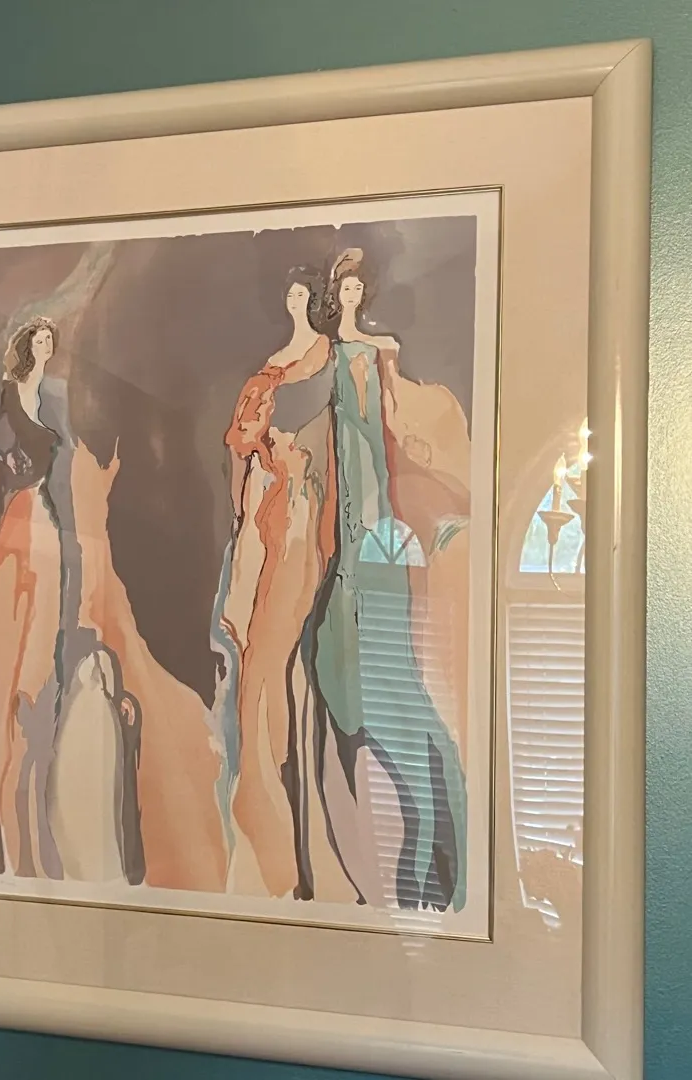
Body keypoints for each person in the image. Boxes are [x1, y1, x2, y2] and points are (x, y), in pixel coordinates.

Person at [305, 247, 469, 910]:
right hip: (347, 521)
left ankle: (431, 867)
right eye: (340, 288)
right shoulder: (321, 359)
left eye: (355, 288)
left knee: (410, 720)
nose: (349, 296)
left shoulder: (380, 351)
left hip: (375, 520)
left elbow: (391, 428)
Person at [219, 268, 355, 901]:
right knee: (258, 665)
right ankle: (267, 835)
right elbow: (240, 448)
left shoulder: (326, 360)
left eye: (305, 294)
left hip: (300, 515)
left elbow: (325, 447)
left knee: (277, 666)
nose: (296, 300)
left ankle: (289, 837)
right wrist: (253, 480)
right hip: (263, 515)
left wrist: (281, 456)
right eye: (291, 293)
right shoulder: (267, 371)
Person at [0, 317, 64, 877]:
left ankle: (23, 817)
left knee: (36, 677)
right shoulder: (11, 400)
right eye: (40, 340)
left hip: (43, 530)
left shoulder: (53, 402)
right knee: (4, 676)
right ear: (27, 347)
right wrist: (3, 476)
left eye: (51, 341)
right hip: (15, 528)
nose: (46, 347)